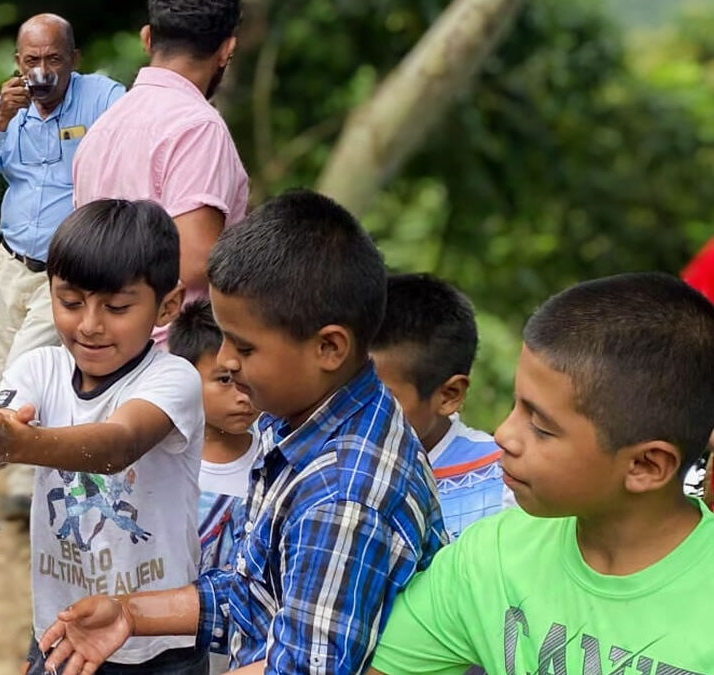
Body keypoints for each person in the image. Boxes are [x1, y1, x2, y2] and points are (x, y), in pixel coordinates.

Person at [30, 190, 448, 675]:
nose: (225, 360)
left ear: (329, 347)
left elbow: (303, 670)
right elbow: (257, 595)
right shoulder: (298, 420)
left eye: (244, 348)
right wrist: (130, 613)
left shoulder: (344, 497)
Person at [367, 272, 714, 674]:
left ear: (646, 465)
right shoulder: (490, 558)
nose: (504, 435)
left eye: (542, 427)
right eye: (517, 405)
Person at [0, 200, 209, 674]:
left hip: (158, 644)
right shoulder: (38, 367)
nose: (89, 325)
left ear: (167, 304)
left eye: (117, 307)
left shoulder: (174, 379)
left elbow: (117, 445)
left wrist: (13, 444)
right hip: (59, 630)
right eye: (71, 301)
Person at [72, 0, 248, 350]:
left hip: (100, 349)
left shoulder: (105, 125)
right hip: (173, 356)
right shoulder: (199, 127)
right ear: (227, 50)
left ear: (147, 38)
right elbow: (195, 260)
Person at [0, 13, 125, 375]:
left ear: (74, 59)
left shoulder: (103, 97)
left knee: (21, 373)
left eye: (54, 59)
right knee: (12, 376)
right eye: (32, 61)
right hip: (10, 265)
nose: (43, 71)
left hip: (66, 273)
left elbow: (135, 145)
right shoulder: (7, 105)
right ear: (19, 63)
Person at [371, 273, 514, 539]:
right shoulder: (325, 462)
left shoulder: (506, 481)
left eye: (380, 398)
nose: (356, 410)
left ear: (449, 395)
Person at [170, 299, 259, 675]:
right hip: (170, 645)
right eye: (224, 380)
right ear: (183, 379)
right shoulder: (165, 462)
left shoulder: (273, 459)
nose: (243, 394)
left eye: (248, 376)